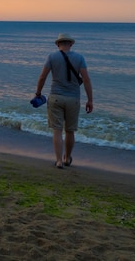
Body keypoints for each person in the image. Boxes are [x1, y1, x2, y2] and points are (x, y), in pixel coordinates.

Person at [34, 33, 93, 169]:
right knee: (70, 131)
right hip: (73, 99)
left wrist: (38, 93)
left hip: (55, 97)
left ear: (57, 44)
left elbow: (42, 77)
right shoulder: (80, 58)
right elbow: (86, 79)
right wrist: (90, 100)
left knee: (57, 130)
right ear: (71, 44)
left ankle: (59, 160)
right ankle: (67, 158)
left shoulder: (52, 57)